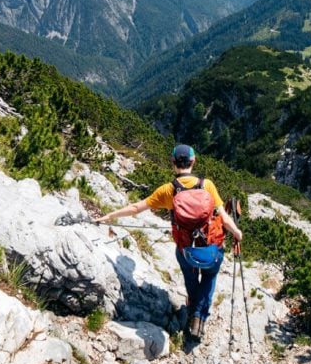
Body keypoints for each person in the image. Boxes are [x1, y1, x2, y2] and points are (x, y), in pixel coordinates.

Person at [94, 144, 242, 340]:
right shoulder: (208, 185)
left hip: (186, 250)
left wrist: (109, 216)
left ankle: (192, 308)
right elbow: (223, 217)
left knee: (190, 277)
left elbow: (137, 208)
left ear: (173, 163)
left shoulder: (168, 190)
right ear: (193, 161)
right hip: (209, 248)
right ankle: (199, 316)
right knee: (209, 276)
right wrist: (237, 233)